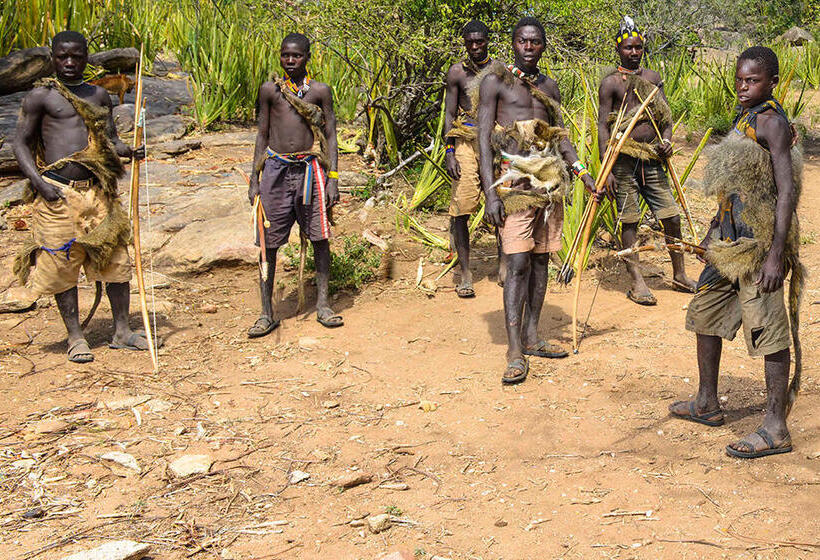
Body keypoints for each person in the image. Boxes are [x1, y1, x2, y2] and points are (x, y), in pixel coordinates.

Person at [669, 47, 803, 459]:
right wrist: (712, 231)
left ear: (772, 83)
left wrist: (776, 254)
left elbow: (787, 193)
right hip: (726, 241)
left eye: (753, 81)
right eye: (740, 80)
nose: (743, 88)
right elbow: (732, 185)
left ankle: (775, 427)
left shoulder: (772, 124)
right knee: (706, 313)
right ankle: (707, 402)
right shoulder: (742, 119)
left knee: (768, 330)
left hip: (757, 244)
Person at [13, 31, 147, 363]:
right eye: (63, 56)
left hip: (98, 193)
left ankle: (121, 332)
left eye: (76, 56)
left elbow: (109, 140)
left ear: (87, 57)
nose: (70, 62)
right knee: (62, 263)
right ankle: (75, 338)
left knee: (115, 260)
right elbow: (20, 143)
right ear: (53, 58)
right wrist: (40, 184)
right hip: (58, 193)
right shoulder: (41, 97)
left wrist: (128, 150)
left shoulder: (99, 95)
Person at [478, 17, 596, 384]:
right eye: (522, 41)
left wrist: (583, 173)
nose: (529, 47)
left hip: (548, 183)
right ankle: (514, 350)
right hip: (512, 183)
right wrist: (489, 194)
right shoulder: (496, 83)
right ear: (513, 43)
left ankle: (532, 336)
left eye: (536, 42)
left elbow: (560, 138)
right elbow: (483, 138)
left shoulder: (549, 86)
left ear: (543, 46)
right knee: (516, 264)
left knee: (541, 261)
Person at [246, 33, 341, 337]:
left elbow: (331, 135)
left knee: (319, 238)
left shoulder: (320, 91)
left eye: (296, 56)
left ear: (308, 57)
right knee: (267, 243)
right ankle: (266, 312)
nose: (290, 61)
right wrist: (254, 178)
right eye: (285, 55)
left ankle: (324, 305)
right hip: (275, 170)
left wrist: (333, 178)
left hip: (310, 171)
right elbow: (262, 134)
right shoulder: (270, 91)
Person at [597, 16, 695, 305]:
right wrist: (607, 168)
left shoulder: (652, 78)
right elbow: (603, 126)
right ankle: (637, 282)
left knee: (671, 216)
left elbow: (665, 117)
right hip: (623, 160)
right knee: (629, 221)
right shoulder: (611, 84)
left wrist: (667, 141)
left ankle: (679, 274)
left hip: (652, 159)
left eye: (638, 47)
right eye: (628, 48)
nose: (634, 52)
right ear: (618, 50)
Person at [443, 20, 499, 296]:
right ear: (464, 43)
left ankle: (504, 265)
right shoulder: (457, 73)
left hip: (495, 142)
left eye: (480, 41)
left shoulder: (498, 71)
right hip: (465, 139)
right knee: (462, 206)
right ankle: (465, 273)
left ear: (488, 40)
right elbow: (449, 113)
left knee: (502, 200)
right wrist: (449, 151)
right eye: (470, 42)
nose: (475, 47)